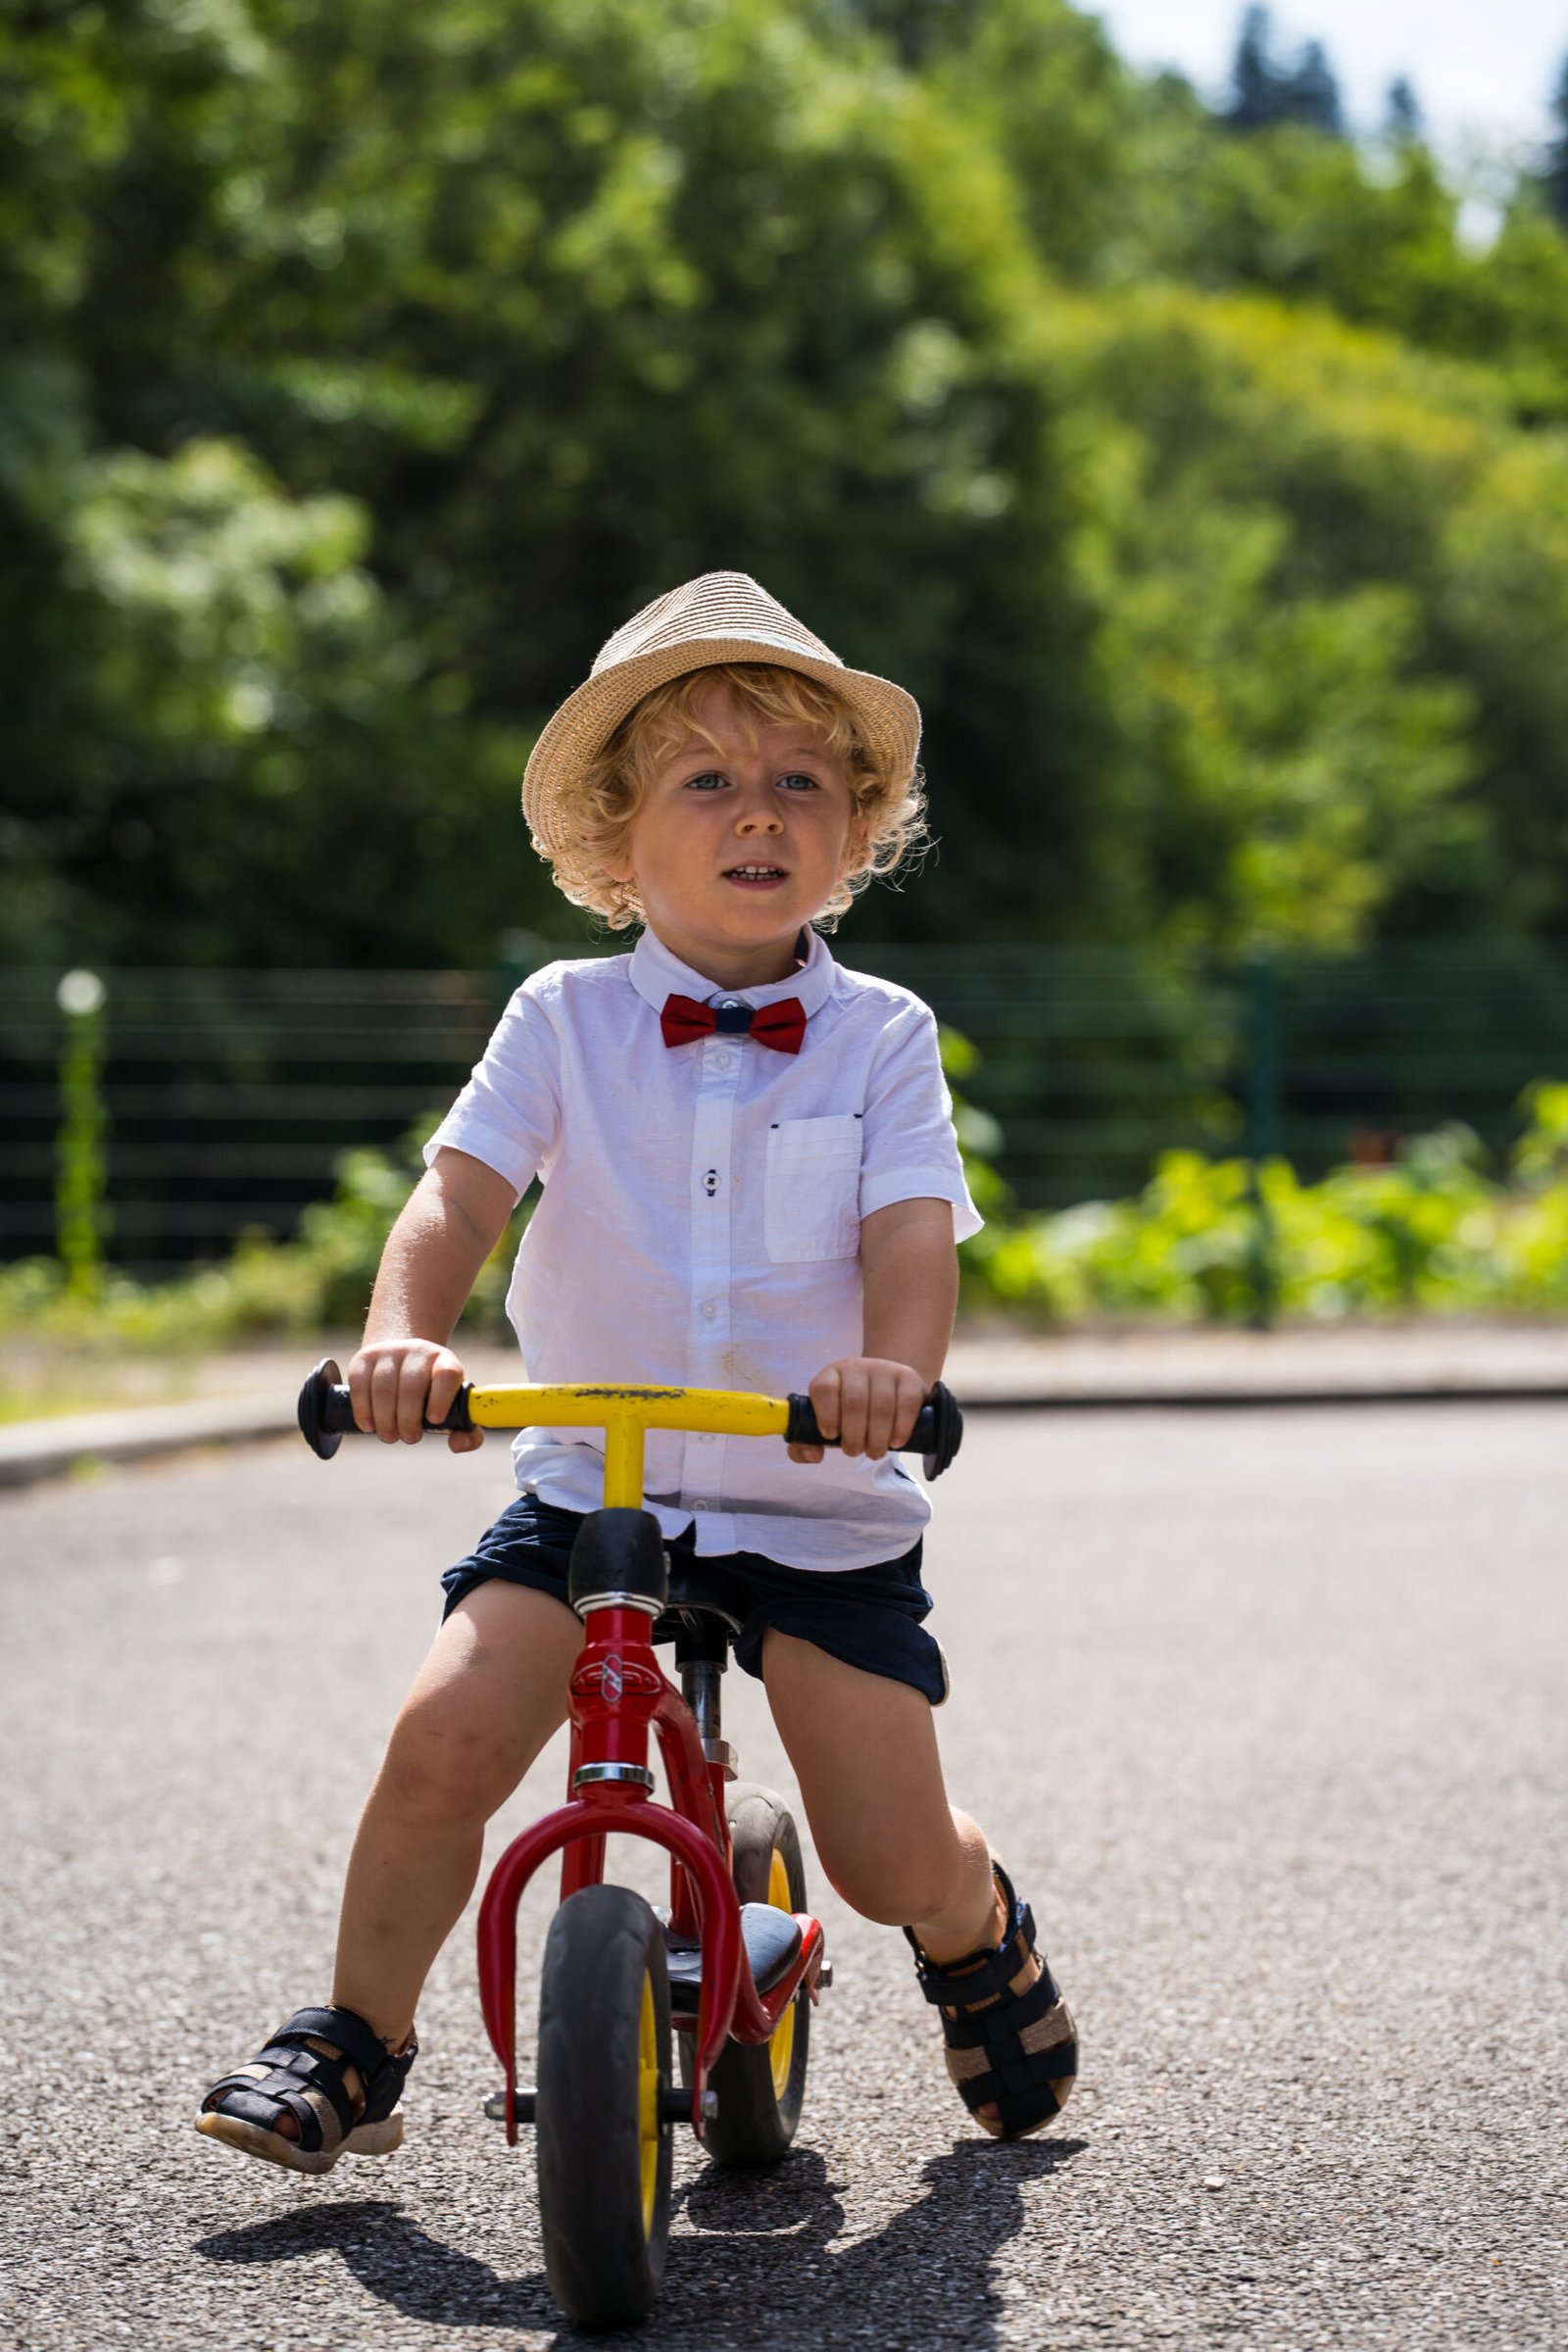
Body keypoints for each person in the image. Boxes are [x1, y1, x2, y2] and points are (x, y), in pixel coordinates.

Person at [196, 571, 1077, 2172]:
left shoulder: (882, 1034)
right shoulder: (565, 1018)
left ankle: (974, 1925)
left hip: (814, 1502)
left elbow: (910, 1237)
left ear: (857, 832)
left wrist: (890, 1374)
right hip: (591, 1489)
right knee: (446, 1739)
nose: (761, 813)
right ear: (616, 840)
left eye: (801, 781)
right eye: (708, 781)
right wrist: (405, 1335)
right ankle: (357, 2039)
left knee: (882, 1856)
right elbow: (460, 1194)